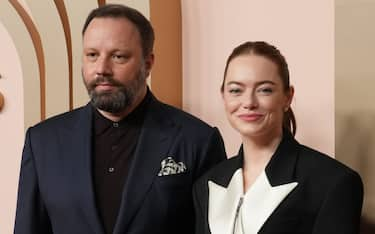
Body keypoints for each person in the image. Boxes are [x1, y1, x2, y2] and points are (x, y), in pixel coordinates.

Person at [14, 4, 226, 234]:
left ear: (148, 63)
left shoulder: (199, 140)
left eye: (118, 56)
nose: (102, 69)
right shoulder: (42, 142)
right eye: (92, 55)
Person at [193, 41, 363, 234]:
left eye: (264, 89)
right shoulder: (207, 184)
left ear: (287, 97)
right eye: (235, 90)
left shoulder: (332, 183)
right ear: (223, 95)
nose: (248, 102)